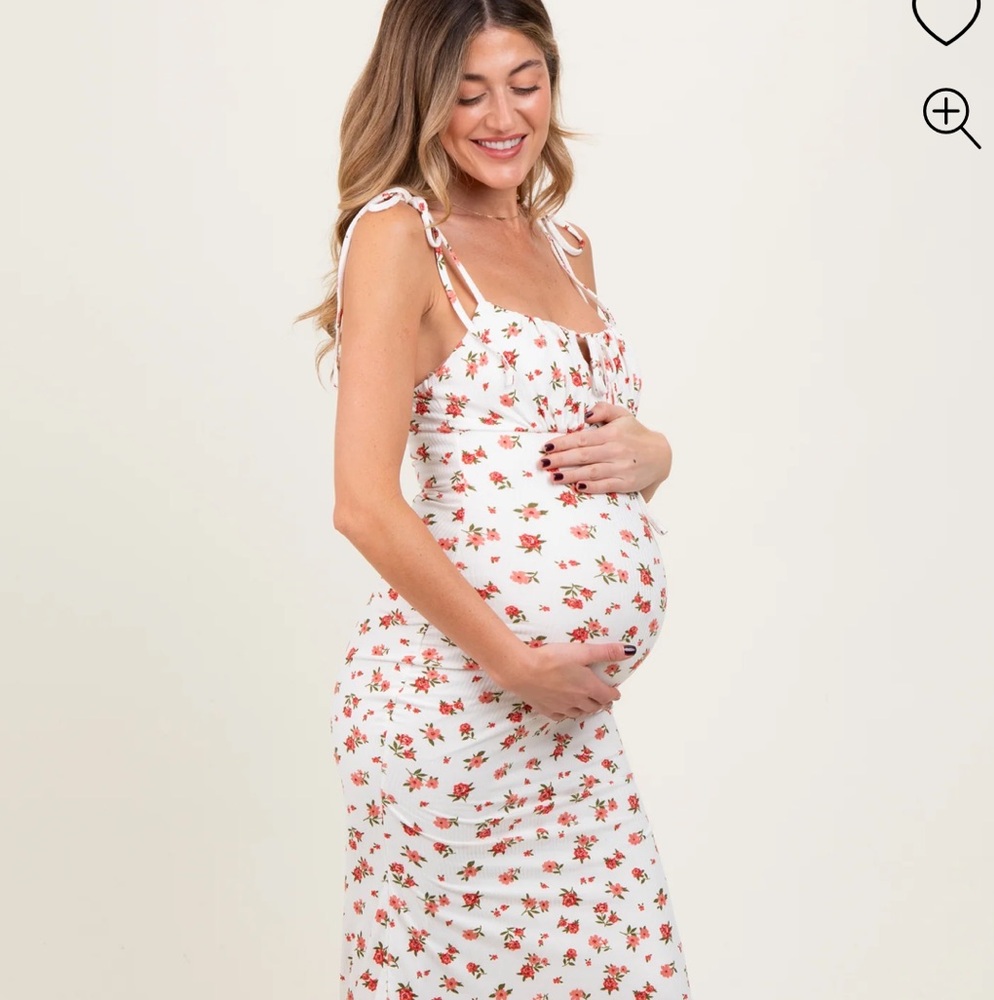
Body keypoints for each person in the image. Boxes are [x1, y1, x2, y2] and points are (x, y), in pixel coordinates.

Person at [305, 1, 692, 996]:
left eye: (525, 82)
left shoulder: (568, 248)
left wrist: (655, 455)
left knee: (628, 972)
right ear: (421, 98)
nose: (500, 115)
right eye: (467, 91)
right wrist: (514, 660)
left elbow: (593, 445)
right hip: (454, 710)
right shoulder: (400, 236)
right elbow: (361, 501)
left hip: (563, 721)